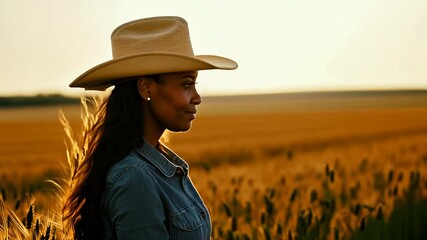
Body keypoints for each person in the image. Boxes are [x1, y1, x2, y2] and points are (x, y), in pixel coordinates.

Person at [62, 16, 237, 240]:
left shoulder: (159, 166)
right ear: (146, 88)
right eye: (186, 84)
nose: (197, 98)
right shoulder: (135, 179)